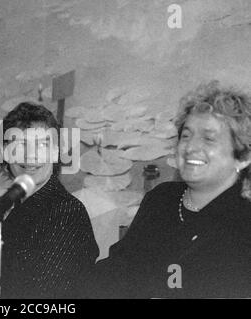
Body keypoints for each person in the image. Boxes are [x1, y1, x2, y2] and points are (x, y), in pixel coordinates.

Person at [84, 81, 251, 298]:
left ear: (243, 157)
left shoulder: (244, 226)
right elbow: (120, 267)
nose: (191, 147)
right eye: (186, 135)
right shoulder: (162, 198)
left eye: (208, 139)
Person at [0, 102, 99, 298]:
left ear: (56, 152)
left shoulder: (67, 214)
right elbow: (4, 286)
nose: (30, 155)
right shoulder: (22, 205)